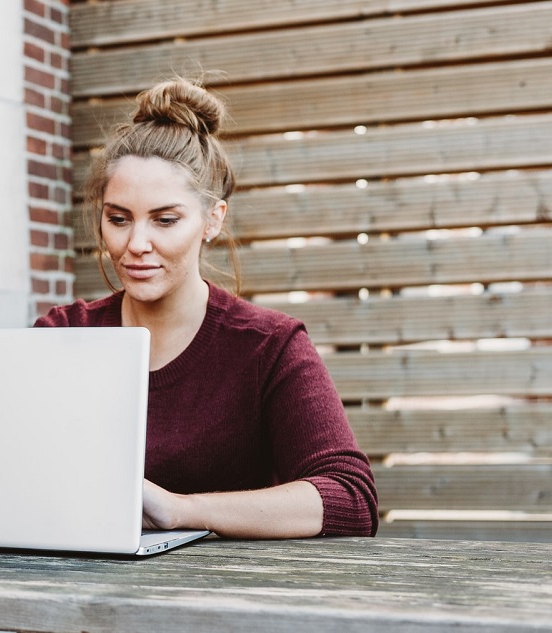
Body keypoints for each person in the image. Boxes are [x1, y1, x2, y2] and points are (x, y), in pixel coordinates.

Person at [34, 78, 377, 538]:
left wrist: (180, 510)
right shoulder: (63, 334)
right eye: (118, 219)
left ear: (212, 220)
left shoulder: (268, 346)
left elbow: (351, 499)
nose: (136, 244)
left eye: (165, 220)